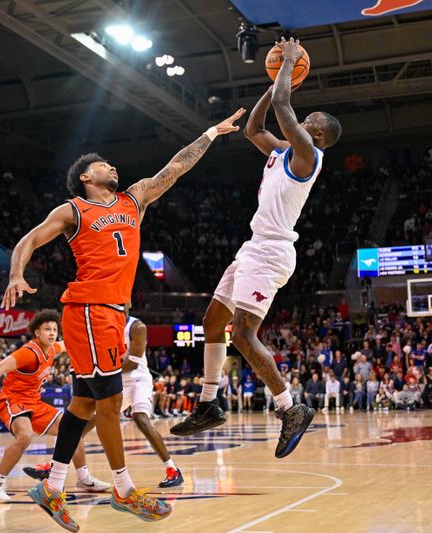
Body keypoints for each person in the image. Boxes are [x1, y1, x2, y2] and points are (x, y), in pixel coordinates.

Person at [1, 108, 244, 529]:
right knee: (111, 403)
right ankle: (124, 488)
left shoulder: (134, 199)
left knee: (83, 403)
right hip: (90, 310)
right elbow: (30, 238)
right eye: (101, 164)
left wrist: (210, 133)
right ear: (85, 177)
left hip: (111, 313)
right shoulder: (73, 210)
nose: (111, 165)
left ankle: (53, 486)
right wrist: (16, 272)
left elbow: (176, 168)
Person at [171, 37, 341, 459]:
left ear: (316, 132)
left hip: (272, 252)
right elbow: (254, 129)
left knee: (243, 334)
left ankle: (290, 407)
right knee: (213, 322)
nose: (304, 115)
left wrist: (286, 66)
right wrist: (274, 82)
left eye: (310, 117)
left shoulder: (308, 155)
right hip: (253, 248)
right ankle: (209, 403)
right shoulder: (283, 150)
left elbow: (284, 110)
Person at [0, 310, 109, 503]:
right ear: (36, 333)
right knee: (25, 436)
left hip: (34, 402)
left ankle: (84, 479)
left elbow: (70, 344)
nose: (52, 333)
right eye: (47, 329)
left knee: (72, 429)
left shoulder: (52, 349)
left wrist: (95, 339)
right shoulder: (28, 352)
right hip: (13, 400)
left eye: (54, 329)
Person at [27, 313, 184, 488]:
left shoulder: (136, 327)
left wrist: (101, 373)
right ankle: (53, 467)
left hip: (137, 379)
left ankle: (172, 469)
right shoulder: (104, 324)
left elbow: (132, 364)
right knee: (81, 424)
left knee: (140, 418)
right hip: (115, 380)